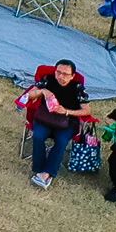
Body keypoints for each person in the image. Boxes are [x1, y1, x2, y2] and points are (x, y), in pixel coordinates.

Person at [23, 59, 93, 188]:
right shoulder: (47, 79)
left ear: (72, 76)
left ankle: (47, 173)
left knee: (61, 141)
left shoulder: (78, 88)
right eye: (58, 72)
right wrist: (42, 91)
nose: (61, 76)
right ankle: (39, 169)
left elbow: (87, 110)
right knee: (38, 136)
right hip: (45, 117)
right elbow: (29, 95)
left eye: (66, 74)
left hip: (67, 121)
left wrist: (66, 111)